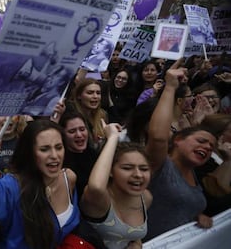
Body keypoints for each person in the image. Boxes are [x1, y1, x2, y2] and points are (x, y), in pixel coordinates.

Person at [0, 120, 80, 249]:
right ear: (30, 153)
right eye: (44, 149)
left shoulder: (69, 178)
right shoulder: (13, 187)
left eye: (59, 147)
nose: (55, 156)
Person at [144, 67, 216, 241]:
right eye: (200, 141)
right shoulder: (161, 166)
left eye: (211, 146)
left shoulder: (192, 173)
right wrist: (170, 87)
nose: (207, 147)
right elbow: (158, 137)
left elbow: (180, 206)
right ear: (177, 140)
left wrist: (197, 216)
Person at [81, 120, 152, 249]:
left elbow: (132, 237)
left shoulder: (146, 198)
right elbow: (96, 186)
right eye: (127, 168)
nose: (138, 174)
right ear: (110, 172)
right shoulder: (100, 200)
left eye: (144, 169)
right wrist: (113, 137)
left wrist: (137, 244)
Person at [59, 111, 100, 201]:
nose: (79, 135)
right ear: (63, 135)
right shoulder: (60, 162)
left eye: (82, 129)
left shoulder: (95, 155)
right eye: (72, 131)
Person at [65, 78, 108, 149]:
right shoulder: (71, 115)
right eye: (90, 93)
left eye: (98, 93)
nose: (95, 96)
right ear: (79, 96)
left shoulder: (103, 115)